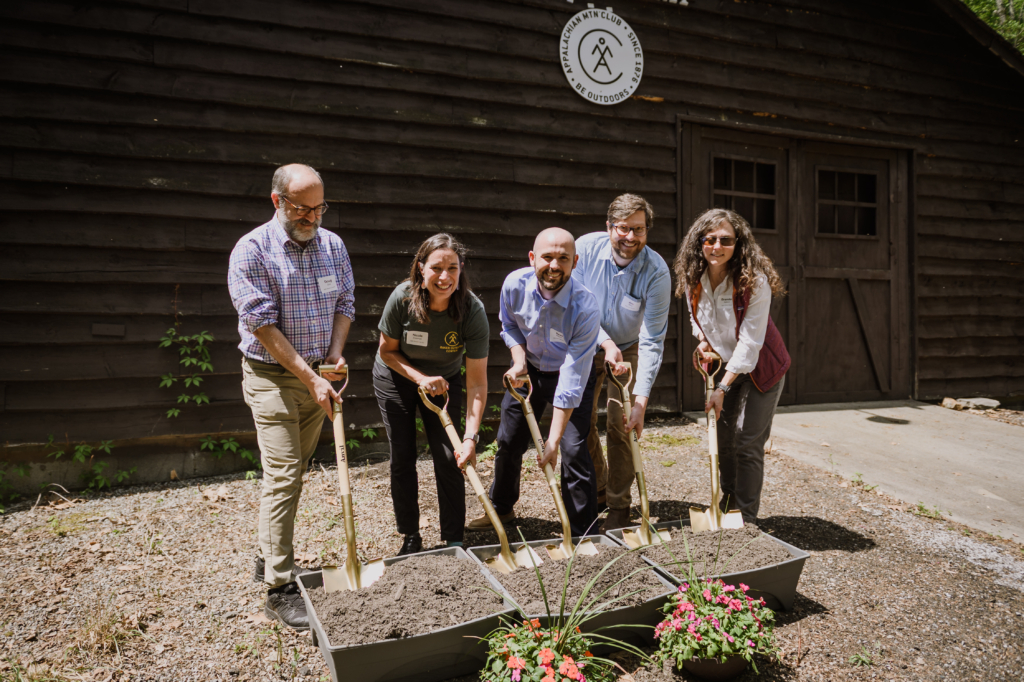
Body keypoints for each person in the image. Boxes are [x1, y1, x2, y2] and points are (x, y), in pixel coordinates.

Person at [227, 163, 354, 630]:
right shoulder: (251, 251)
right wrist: (310, 377)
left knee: (296, 472)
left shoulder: (333, 246)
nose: (312, 216)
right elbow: (261, 324)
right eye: (302, 208)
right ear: (277, 201)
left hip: (318, 379)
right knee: (282, 476)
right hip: (271, 378)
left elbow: (345, 303)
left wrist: (334, 360)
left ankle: (266, 555)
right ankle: (278, 588)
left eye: (319, 207)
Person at [468, 228, 601, 536]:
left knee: (572, 449)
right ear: (532, 258)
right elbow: (510, 325)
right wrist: (518, 361)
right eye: (547, 257)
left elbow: (571, 379)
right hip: (529, 372)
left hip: (570, 375)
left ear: (574, 262)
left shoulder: (585, 306)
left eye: (563, 259)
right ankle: (501, 509)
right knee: (509, 440)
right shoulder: (514, 285)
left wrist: (552, 440)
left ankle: (583, 530)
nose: (554, 265)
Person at [673, 208, 790, 524]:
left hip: (761, 368)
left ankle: (747, 521)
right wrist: (703, 340)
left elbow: (751, 343)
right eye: (709, 239)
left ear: (738, 244)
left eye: (725, 240)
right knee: (723, 441)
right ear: (699, 243)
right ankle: (728, 502)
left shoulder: (755, 282)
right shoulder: (692, 276)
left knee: (747, 442)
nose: (716, 246)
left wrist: (723, 387)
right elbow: (697, 319)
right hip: (725, 365)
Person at [374, 234, 489, 556]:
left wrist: (470, 438)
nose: (444, 276)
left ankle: (454, 539)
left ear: (460, 269)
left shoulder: (471, 310)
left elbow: (478, 384)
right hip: (397, 376)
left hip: (443, 383)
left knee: (451, 457)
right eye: (437, 267)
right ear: (421, 269)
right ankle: (410, 535)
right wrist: (421, 378)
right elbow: (387, 352)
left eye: (452, 268)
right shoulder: (402, 299)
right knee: (403, 457)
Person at [573, 194, 671, 531]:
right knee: (579, 421)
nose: (630, 237)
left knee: (621, 424)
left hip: (628, 349)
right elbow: (576, 307)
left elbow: (653, 339)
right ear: (609, 227)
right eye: (623, 228)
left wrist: (641, 401)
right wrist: (604, 341)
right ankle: (600, 487)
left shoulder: (656, 272)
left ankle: (619, 506)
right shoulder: (583, 250)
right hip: (585, 342)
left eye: (639, 230)